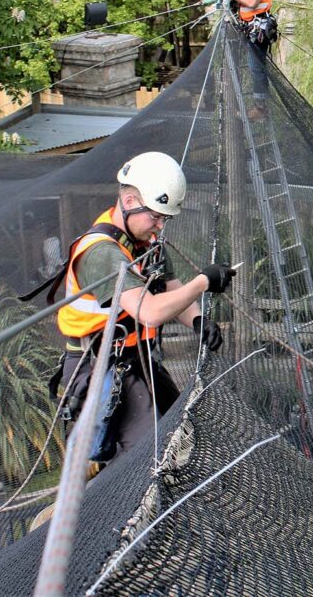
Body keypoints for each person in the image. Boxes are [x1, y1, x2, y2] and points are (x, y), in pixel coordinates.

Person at [55, 150, 233, 464]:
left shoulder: (146, 244)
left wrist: (196, 319)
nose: (160, 226)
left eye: (165, 218)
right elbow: (148, 311)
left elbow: (171, 290)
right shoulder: (100, 253)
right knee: (148, 458)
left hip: (136, 360)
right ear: (129, 201)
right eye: (155, 216)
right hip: (98, 367)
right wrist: (203, 282)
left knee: (181, 433)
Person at [210, 0, 274, 107]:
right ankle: (241, 105)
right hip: (244, 26)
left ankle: (260, 107)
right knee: (237, 65)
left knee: (256, 67)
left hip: (259, 26)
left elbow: (252, 2)